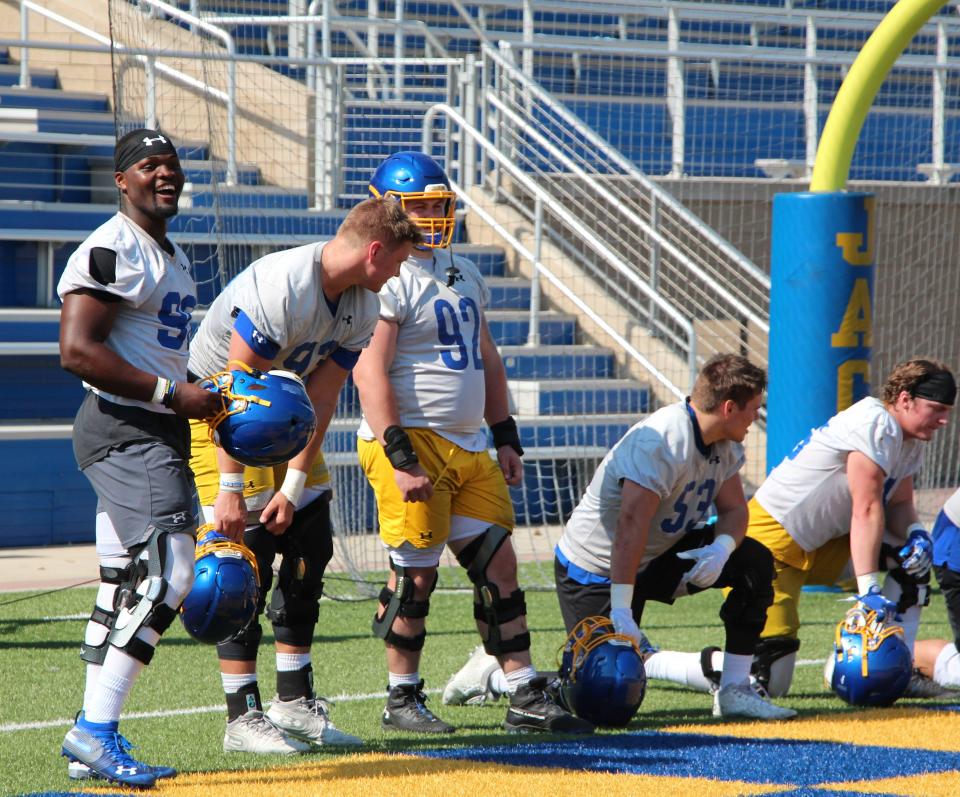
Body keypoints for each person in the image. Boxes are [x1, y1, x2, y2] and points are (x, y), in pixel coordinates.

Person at [353, 151, 593, 735]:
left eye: (439, 204)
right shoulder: (387, 276)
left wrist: (504, 432)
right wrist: (398, 451)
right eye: (420, 206)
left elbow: (486, 357)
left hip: (468, 445)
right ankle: (401, 696)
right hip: (412, 441)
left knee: (499, 565)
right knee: (415, 575)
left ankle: (521, 693)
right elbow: (369, 369)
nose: (433, 215)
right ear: (387, 210)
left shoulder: (464, 271)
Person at [187, 197, 423, 754]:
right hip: (220, 412)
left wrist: (293, 485)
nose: (397, 273)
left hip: (285, 413)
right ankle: (241, 715)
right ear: (372, 250)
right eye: (395, 261)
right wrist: (230, 488)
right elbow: (233, 390)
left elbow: (322, 394)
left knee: (308, 543)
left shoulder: (363, 304)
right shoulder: (284, 285)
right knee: (239, 559)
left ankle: (292, 704)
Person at [445, 354, 796, 721]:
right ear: (728, 407)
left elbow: (735, 511)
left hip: (656, 555)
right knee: (606, 693)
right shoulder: (662, 441)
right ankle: (494, 677)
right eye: (753, 409)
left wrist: (723, 550)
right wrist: (621, 610)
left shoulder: (724, 441)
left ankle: (735, 689)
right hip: (597, 568)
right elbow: (629, 529)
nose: (756, 418)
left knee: (752, 561)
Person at [57, 128, 223, 788]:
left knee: (120, 585)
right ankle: (95, 731)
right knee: (171, 573)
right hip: (130, 426)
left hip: (148, 427)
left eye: (172, 165)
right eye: (149, 165)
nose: (165, 174)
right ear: (121, 180)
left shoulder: (168, 253)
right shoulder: (116, 245)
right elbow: (76, 348)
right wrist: (170, 393)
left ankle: (85, 740)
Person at [728, 358, 953, 699]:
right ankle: (659, 662)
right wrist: (869, 590)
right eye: (936, 408)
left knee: (911, 560)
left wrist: (915, 533)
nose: (944, 419)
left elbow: (901, 505)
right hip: (769, 543)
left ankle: (899, 667)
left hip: (821, 542)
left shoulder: (908, 440)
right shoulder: (876, 423)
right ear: (905, 399)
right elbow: (866, 507)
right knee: (769, 681)